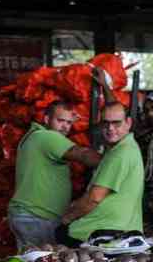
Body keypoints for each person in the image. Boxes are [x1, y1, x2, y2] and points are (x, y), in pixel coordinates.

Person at [7, 102, 101, 250]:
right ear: (46, 119)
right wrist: (116, 160)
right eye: (60, 121)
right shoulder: (47, 137)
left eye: (69, 123)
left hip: (28, 215)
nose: (65, 126)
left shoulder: (34, 136)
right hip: (37, 216)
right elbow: (83, 155)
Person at [62, 102, 144, 242]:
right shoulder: (124, 147)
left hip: (100, 235)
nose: (110, 128)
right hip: (112, 231)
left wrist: (67, 219)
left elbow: (94, 198)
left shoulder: (120, 153)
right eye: (105, 123)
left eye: (116, 123)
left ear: (128, 123)